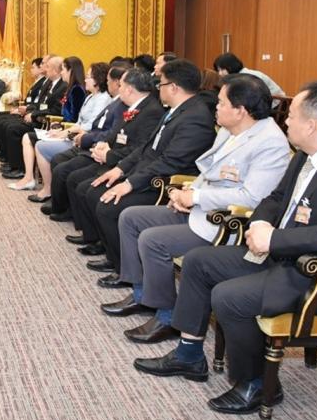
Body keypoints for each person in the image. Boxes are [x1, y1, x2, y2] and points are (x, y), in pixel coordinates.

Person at [134, 81, 317, 415]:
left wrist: (275, 240)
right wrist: (259, 224)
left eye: (292, 115)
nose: (285, 120)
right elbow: (274, 198)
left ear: (312, 125)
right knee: (199, 262)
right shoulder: (307, 155)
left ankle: (255, 384)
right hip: (285, 257)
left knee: (230, 297)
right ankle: (189, 354)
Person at [104, 75, 290, 344]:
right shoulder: (229, 129)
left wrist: (197, 197)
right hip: (201, 210)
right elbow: (208, 172)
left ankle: (167, 317)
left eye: (221, 103)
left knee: (153, 240)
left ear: (240, 110)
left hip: (226, 223)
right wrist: (186, 193)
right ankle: (141, 294)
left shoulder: (269, 142)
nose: (215, 106)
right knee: (131, 218)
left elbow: (252, 198)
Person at [71, 59, 217, 274]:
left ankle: (125, 268)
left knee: (107, 204)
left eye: (161, 83)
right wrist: (120, 169)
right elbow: (146, 147)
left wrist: (129, 183)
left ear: (173, 87)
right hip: (147, 172)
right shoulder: (175, 110)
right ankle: (114, 256)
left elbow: (170, 162)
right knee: (95, 190)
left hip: (164, 184)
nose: (158, 88)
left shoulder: (196, 117)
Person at [48, 68, 162, 228]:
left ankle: (91, 234)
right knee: (74, 177)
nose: (118, 89)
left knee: (82, 185)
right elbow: (116, 133)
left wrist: (109, 155)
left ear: (129, 89)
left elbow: (140, 148)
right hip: (113, 155)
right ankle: (86, 230)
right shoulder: (133, 106)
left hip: (126, 164)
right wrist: (104, 144)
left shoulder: (151, 111)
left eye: (121, 85)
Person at [15, 62, 113, 196]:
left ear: (97, 79)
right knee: (37, 140)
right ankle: (45, 186)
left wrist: (66, 131)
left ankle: (48, 188)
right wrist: (61, 130)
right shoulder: (90, 97)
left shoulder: (103, 99)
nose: (85, 80)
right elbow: (78, 121)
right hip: (74, 134)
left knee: (40, 146)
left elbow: (90, 125)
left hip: (83, 139)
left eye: (89, 77)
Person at [6, 57, 91, 189]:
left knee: (28, 137)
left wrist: (61, 128)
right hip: (62, 128)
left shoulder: (77, 90)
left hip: (70, 134)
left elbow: (74, 119)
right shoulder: (71, 88)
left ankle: (32, 180)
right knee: (27, 137)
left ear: (71, 71)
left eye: (63, 69)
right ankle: (29, 178)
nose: (61, 72)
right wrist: (58, 125)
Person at [0, 56, 68, 179]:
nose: (44, 68)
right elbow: (40, 104)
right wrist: (30, 111)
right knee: (8, 123)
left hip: (46, 122)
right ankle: (12, 163)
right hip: (39, 116)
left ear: (55, 71)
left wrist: (33, 114)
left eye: (47, 66)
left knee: (13, 128)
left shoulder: (62, 86)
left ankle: (20, 168)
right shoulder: (49, 83)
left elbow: (56, 111)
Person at [0, 56, 47, 158]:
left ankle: (5, 153)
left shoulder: (43, 83)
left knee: (5, 122)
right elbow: (30, 101)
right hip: (27, 110)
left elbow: (38, 103)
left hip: (31, 114)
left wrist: (24, 110)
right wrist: (19, 108)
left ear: (40, 69)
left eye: (33, 67)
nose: (31, 70)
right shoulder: (37, 82)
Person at [213, 52, 286, 98]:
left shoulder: (248, 76)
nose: (220, 73)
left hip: (277, 105)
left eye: (222, 69)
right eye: (218, 70)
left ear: (231, 66)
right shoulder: (239, 76)